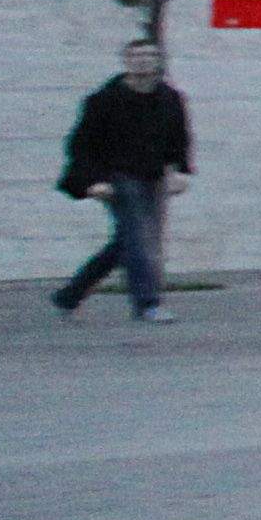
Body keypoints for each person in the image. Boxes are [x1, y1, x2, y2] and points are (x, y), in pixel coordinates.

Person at [50, 38, 190, 321]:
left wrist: (179, 171)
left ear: (159, 61)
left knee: (127, 242)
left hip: (152, 177)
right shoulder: (104, 100)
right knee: (138, 239)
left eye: (149, 55)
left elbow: (179, 138)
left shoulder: (170, 98)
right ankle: (147, 304)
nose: (143, 61)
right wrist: (93, 181)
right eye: (136, 56)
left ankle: (69, 295)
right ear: (126, 61)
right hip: (117, 178)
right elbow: (81, 145)